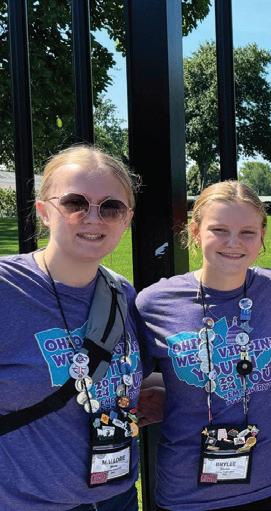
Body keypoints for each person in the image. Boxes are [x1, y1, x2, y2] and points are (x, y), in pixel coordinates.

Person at [136, 181, 271, 510]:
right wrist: (173, 389)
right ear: (195, 231)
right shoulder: (155, 303)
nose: (233, 242)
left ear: (262, 236)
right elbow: (128, 377)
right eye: (219, 229)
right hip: (189, 492)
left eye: (247, 232)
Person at [0, 145, 143, 510]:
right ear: (44, 211)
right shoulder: (7, 288)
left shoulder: (121, 293)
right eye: (75, 203)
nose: (93, 218)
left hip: (117, 497)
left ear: (126, 219)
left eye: (111, 207)